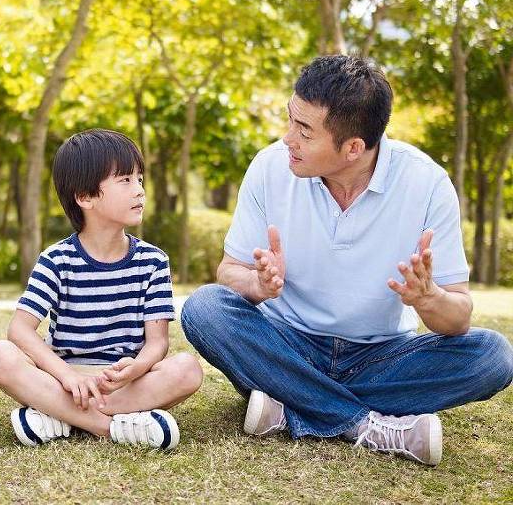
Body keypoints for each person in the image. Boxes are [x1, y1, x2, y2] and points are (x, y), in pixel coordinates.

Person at [181, 55, 513, 466]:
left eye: (304, 131)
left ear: (353, 148)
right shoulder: (270, 168)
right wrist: (257, 286)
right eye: (290, 121)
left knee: (493, 356)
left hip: (381, 356)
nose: (288, 139)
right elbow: (228, 273)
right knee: (203, 308)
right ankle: (365, 424)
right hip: (287, 344)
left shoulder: (427, 184)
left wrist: (428, 298)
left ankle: (292, 407)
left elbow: (458, 318)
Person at [0, 128, 203, 449]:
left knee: (188, 370)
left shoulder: (154, 261)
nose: (139, 190)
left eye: (140, 179)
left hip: (123, 381)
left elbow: (157, 344)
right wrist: (67, 376)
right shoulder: (57, 259)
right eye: (125, 181)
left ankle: (57, 415)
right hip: (65, 377)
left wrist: (136, 368)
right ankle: (111, 427)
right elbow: (20, 330)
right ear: (85, 197)